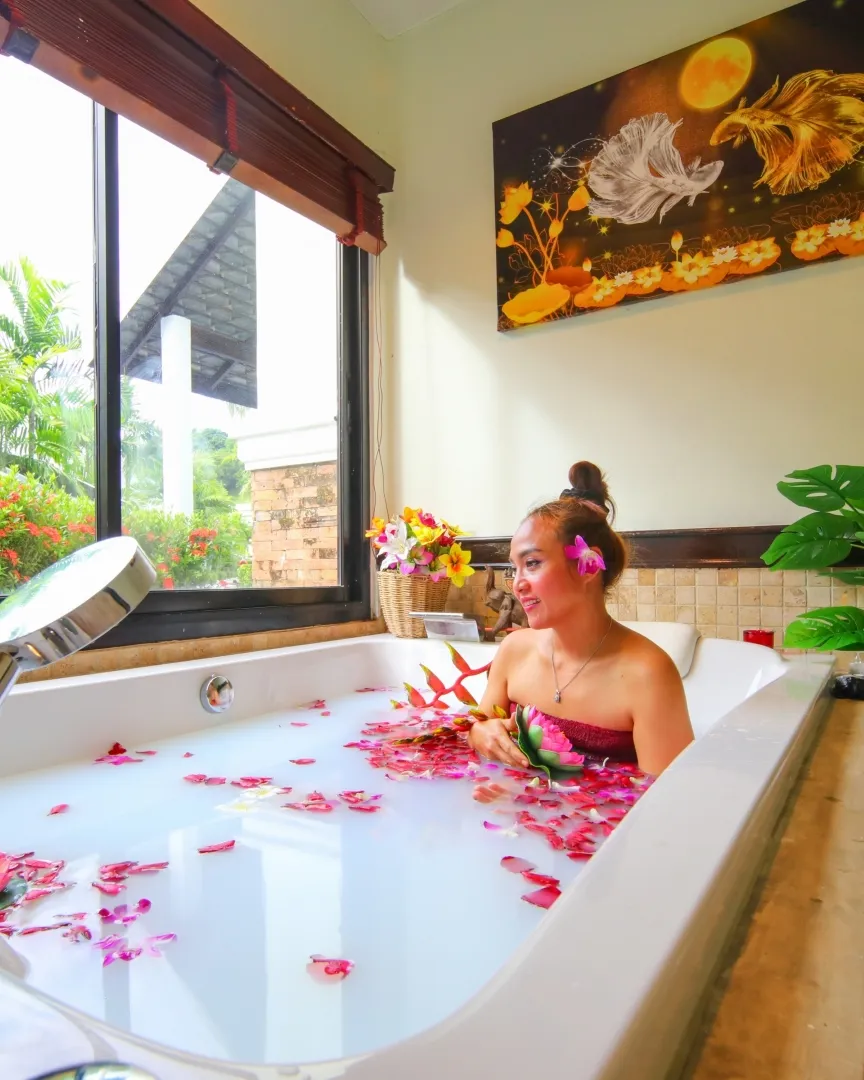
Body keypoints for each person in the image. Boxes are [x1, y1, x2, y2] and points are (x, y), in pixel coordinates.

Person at [468, 461, 694, 785]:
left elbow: (669, 799)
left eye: (532, 563)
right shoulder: (514, 650)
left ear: (588, 566)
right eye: (513, 569)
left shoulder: (648, 675)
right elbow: (478, 728)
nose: (517, 584)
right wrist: (480, 733)